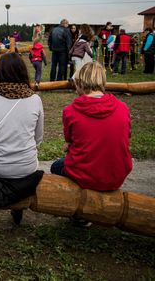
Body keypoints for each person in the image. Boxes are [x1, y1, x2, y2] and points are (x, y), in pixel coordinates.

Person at [51, 62, 132, 227]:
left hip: (85, 175)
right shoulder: (123, 108)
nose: (75, 89)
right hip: (116, 175)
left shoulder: (70, 111)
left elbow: (70, 140)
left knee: (56, 167)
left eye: (76, 85)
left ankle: (79, 212)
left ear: (81, 84)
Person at [0, 52, 44, 225]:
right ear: (23, 72)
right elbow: (38, 138)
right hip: (26, 166)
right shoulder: (35, 99)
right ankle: (18, 209)